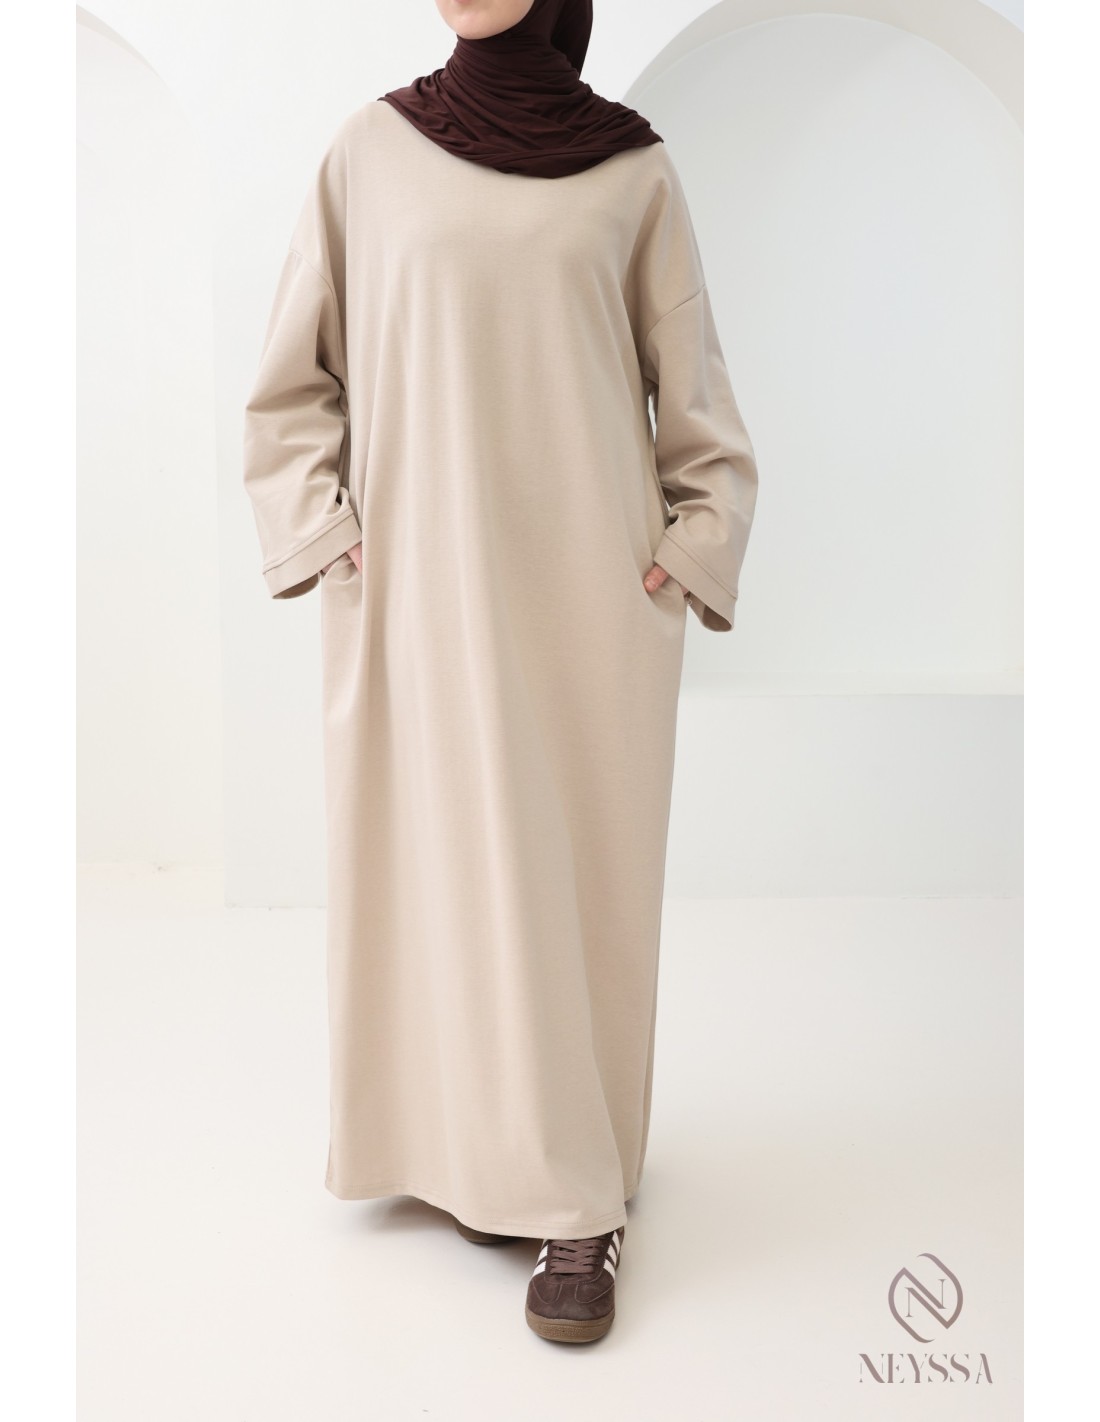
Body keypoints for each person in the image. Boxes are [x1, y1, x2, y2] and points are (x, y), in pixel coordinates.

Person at [242, 0, 758, 1345]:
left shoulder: (633, 172)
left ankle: (579, 1197)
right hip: (416, 592)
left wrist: (688, 553)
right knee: (430, 873)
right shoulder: (368, 153)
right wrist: (329, 536)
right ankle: (465, 1149)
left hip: (588, 609)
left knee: (569, 888)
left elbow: (699, 406)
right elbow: (291, 385)